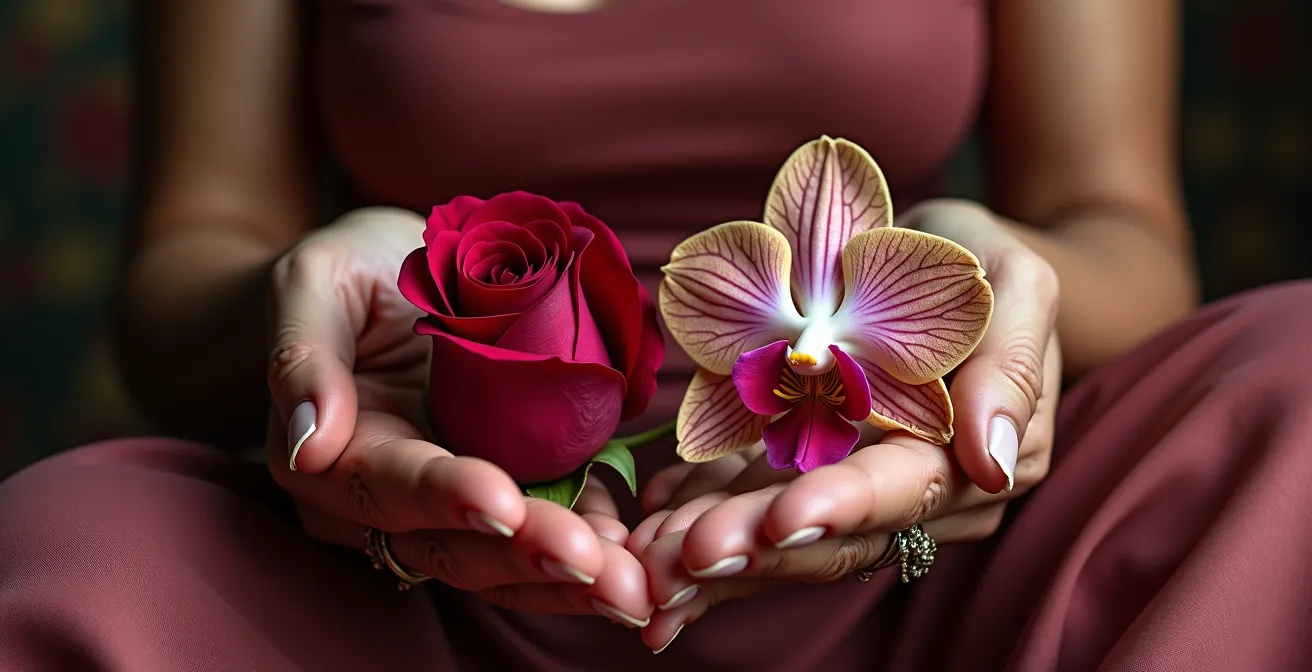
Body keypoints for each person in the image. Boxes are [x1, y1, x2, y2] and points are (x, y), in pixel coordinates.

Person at [2, 0, 1310, 670]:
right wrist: (311, 301)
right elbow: (181, 278)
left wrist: (985, 282)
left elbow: (1119, 228)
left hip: (926, 561)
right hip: (421, 564)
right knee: (71, 554)